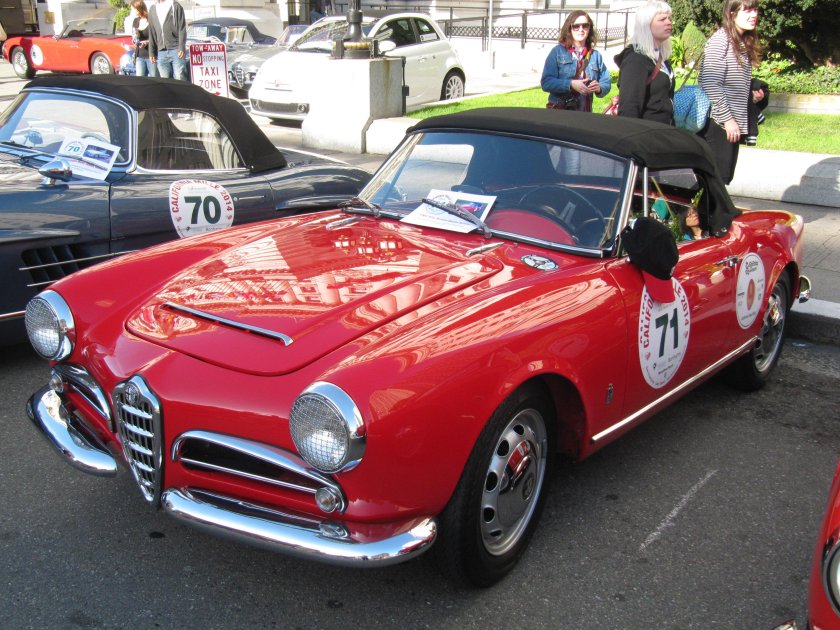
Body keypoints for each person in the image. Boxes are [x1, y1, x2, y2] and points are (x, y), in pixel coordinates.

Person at [698, 0, 765, 184]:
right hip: (717, 123)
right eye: (747, 11)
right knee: (714, 180)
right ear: (732, 14)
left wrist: (752, 97)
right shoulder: (721, 40)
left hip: (730, 122)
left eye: (755, 10)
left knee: (720, 179)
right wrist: (728, 120)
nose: (754, 15)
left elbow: (730, 84)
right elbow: (711, 82)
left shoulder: (741, 41)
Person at [613, 1, 675, 124]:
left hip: (663, 130)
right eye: (662, 19)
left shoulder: (659, 56)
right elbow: (629, 109)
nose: (669, 22)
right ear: (646, 24)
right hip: (645, 132)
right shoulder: (636, 59)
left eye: (669, 18)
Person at [540, 11, 611, 112]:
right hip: (561, 113)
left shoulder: (595, 56)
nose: (581, 29)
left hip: (585, 114)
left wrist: (599, 88)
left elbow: (606, 82)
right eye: (576, 26)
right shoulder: (557, 52)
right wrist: (570, 84)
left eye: (585, 26)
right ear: (569, 28)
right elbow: (546, 82)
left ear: (589, 28)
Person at [148, 0, 188, 81]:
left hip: (176, 49)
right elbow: (151, 31)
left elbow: (182, 28)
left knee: (180, 78)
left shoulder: (175, 5)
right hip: (161, 52)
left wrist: (181, 46)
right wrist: (151, 51)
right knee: (166, 82)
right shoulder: (153, 9)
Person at [131, 0, 157, 77]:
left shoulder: (151, 20)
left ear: (139, 8)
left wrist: (147, 42)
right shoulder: (135, 21)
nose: (133, 11)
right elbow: (134, 38)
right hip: (139, 55)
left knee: (154, 78)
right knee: (140, 79)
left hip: (151, 55)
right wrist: (134, 38)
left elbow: (157, 37)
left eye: (134, 9)